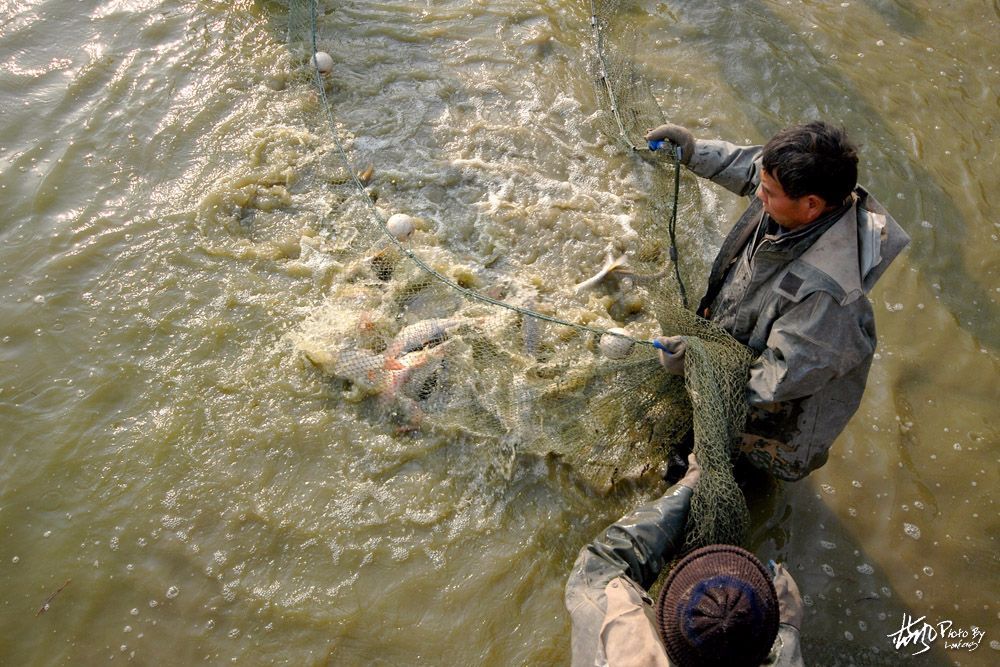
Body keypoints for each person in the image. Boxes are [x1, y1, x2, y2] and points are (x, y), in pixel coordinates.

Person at [646, 121, 910, 481]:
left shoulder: (827, 296)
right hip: (745, 353)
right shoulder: (796, 190)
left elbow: (778, 378)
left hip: (779, 422)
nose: (759, 196)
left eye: (769, 193)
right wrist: (693, 151)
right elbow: (751, 167)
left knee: (726, 477)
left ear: (812, 206)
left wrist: (698, 368)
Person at [565, 454, 805, 666]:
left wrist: (687, 487)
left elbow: (599, 563)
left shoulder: (616, 643)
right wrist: (786, 628)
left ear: (664, 622)